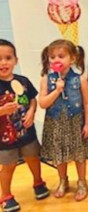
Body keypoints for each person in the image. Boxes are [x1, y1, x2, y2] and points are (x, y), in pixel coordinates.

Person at [39, 39, 88, 201]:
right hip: (55, 122)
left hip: (75, 122)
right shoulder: (46, 79)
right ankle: (63, 180)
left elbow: (87, 103)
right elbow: (42, 103)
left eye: (61, 56)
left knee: (79, 154)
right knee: (59, 154)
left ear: (73, 59)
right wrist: (57, 90)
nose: (56, 60)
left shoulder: (80, 79)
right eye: (52, 57)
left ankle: (82, 182)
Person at [0, 39, 49, 212]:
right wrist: (2, 111)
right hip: (5, 138)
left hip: (27, 133)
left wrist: (31, 112)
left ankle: (38, 182)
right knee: (8, 166)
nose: (3, 63)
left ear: (16, 60)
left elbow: (32, 100)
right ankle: (6, 195)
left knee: (33, 158)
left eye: (8, 57)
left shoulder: (23, 81)